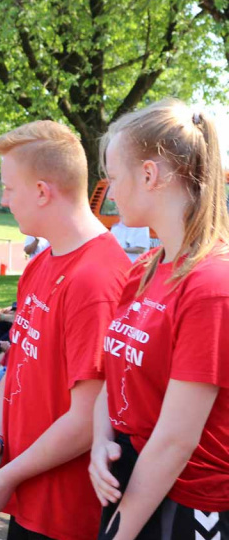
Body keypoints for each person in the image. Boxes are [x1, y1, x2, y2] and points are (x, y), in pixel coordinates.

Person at [0, 121, 130, 540]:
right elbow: (18, 365)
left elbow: (88, 418)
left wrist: (7, 475)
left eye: (10, 188)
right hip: (31, 497)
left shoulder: (98, 278)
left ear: (42, 191)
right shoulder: (40, 263)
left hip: (70, 513)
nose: (4, 199)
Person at [90, 99, 229, 539]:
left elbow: (176, 441)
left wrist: (120, 531)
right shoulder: (146, 267)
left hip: (188, 504)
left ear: (149, 176)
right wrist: (99, 443)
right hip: (136, 480)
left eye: (113, 177)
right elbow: (113, 377)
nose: (109, 191)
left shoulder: (211, 284)